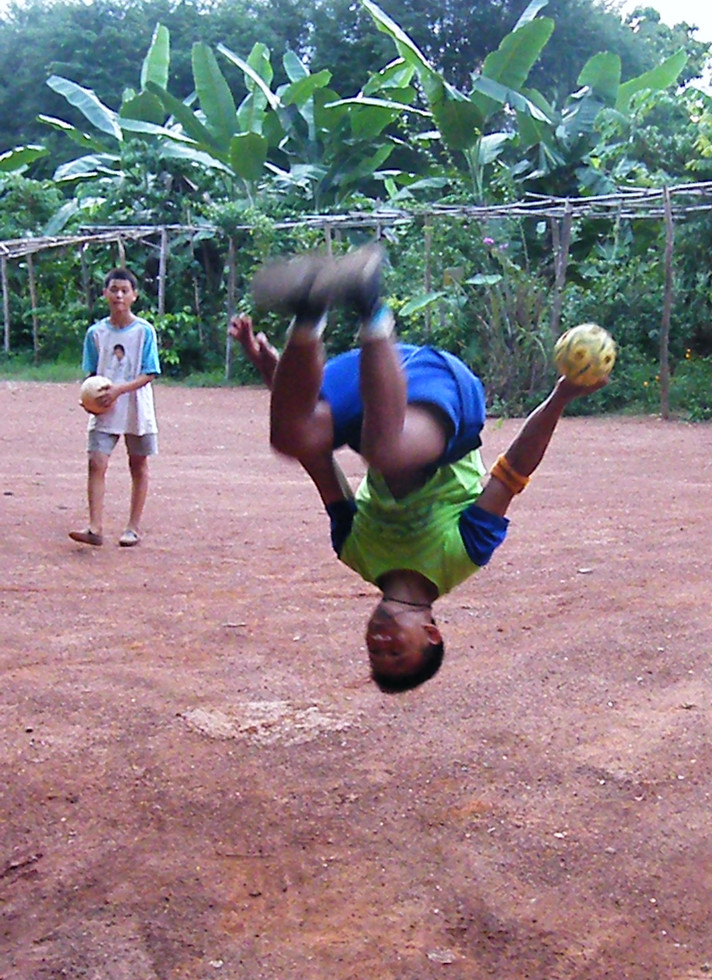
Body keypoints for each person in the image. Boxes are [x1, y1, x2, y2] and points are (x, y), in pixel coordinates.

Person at [232, 244, 606, 691]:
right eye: (396, 649)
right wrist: (560, 397)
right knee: (387, 453)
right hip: (440, 394)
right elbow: (513, 471)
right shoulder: (462, 555)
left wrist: (277, 374)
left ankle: (310, 313)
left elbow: (317, 459)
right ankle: (369, 302)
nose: (380, 640)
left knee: (291, 439)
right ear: (431, 633)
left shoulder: (355, 551)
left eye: (375, 651)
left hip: (376, 389)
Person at [69, 267, 160, 548]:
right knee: (96, 461)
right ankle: (95, 527)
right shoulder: (95, 333)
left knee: (138, 463)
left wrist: (119, 390)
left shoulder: (144, 331)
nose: (119, 295)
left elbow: (150, 372)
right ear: (104, 294)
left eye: (124, 290)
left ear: (134, 296)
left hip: (135, 406)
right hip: (104, 408)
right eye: (114, 290)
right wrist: (88, 400)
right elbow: (90, 374)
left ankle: (133, 527)